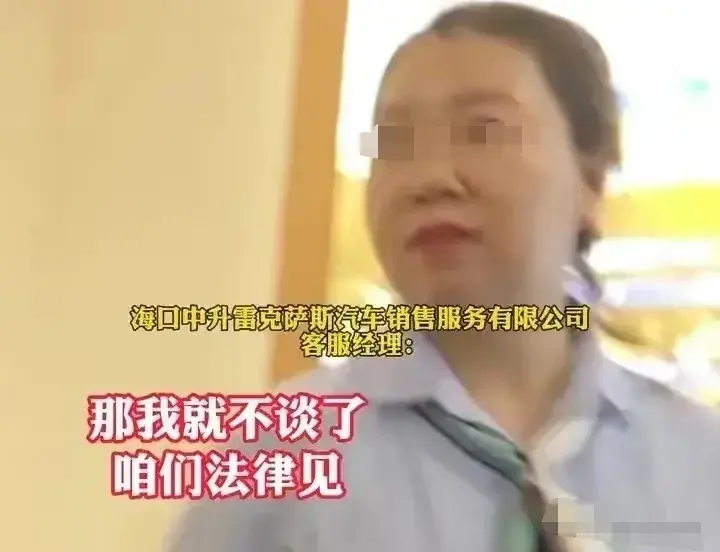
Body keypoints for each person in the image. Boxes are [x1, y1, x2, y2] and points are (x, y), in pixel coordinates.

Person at [168, 3, 719, 551]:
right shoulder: (276, 453)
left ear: (592, 184)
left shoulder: (699, 462)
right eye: (395, 142)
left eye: (483, 131)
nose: (429, 178)